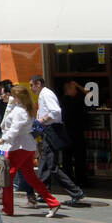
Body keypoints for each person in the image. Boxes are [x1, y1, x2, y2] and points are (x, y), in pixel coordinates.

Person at [0, 84, 62, 218]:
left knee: (8, 177)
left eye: (12, 95)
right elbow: (5, 123)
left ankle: (8, 208)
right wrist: (10, 104)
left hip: (19, 147)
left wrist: (0, 141)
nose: (10, 97)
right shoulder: (22, 108)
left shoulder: (20, 111)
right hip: (25, 147)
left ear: (17, 97)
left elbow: (13, 130)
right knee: (31, 177)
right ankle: (53, 202)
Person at [30, 74, 87, 206]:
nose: (31, 88)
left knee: (51, 165)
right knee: (44, 162)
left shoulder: (46, 94)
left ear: (38, 84)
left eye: (32, 85)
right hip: (48, 130)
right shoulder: (43, 94)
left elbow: (55, 111)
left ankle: (75, 191)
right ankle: (44, 193)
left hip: (51, 130)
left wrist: (40, 121)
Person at [61, 80, 90, 188]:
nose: (76, 91)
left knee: (67, 159)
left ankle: (68, 181)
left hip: (67, 134)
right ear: (68, 90)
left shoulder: (62, 101)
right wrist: (78, 85)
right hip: (75, 134)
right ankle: (81, 181)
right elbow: (89, 95)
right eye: (74, 89)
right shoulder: (74, 101)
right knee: (79, 158)